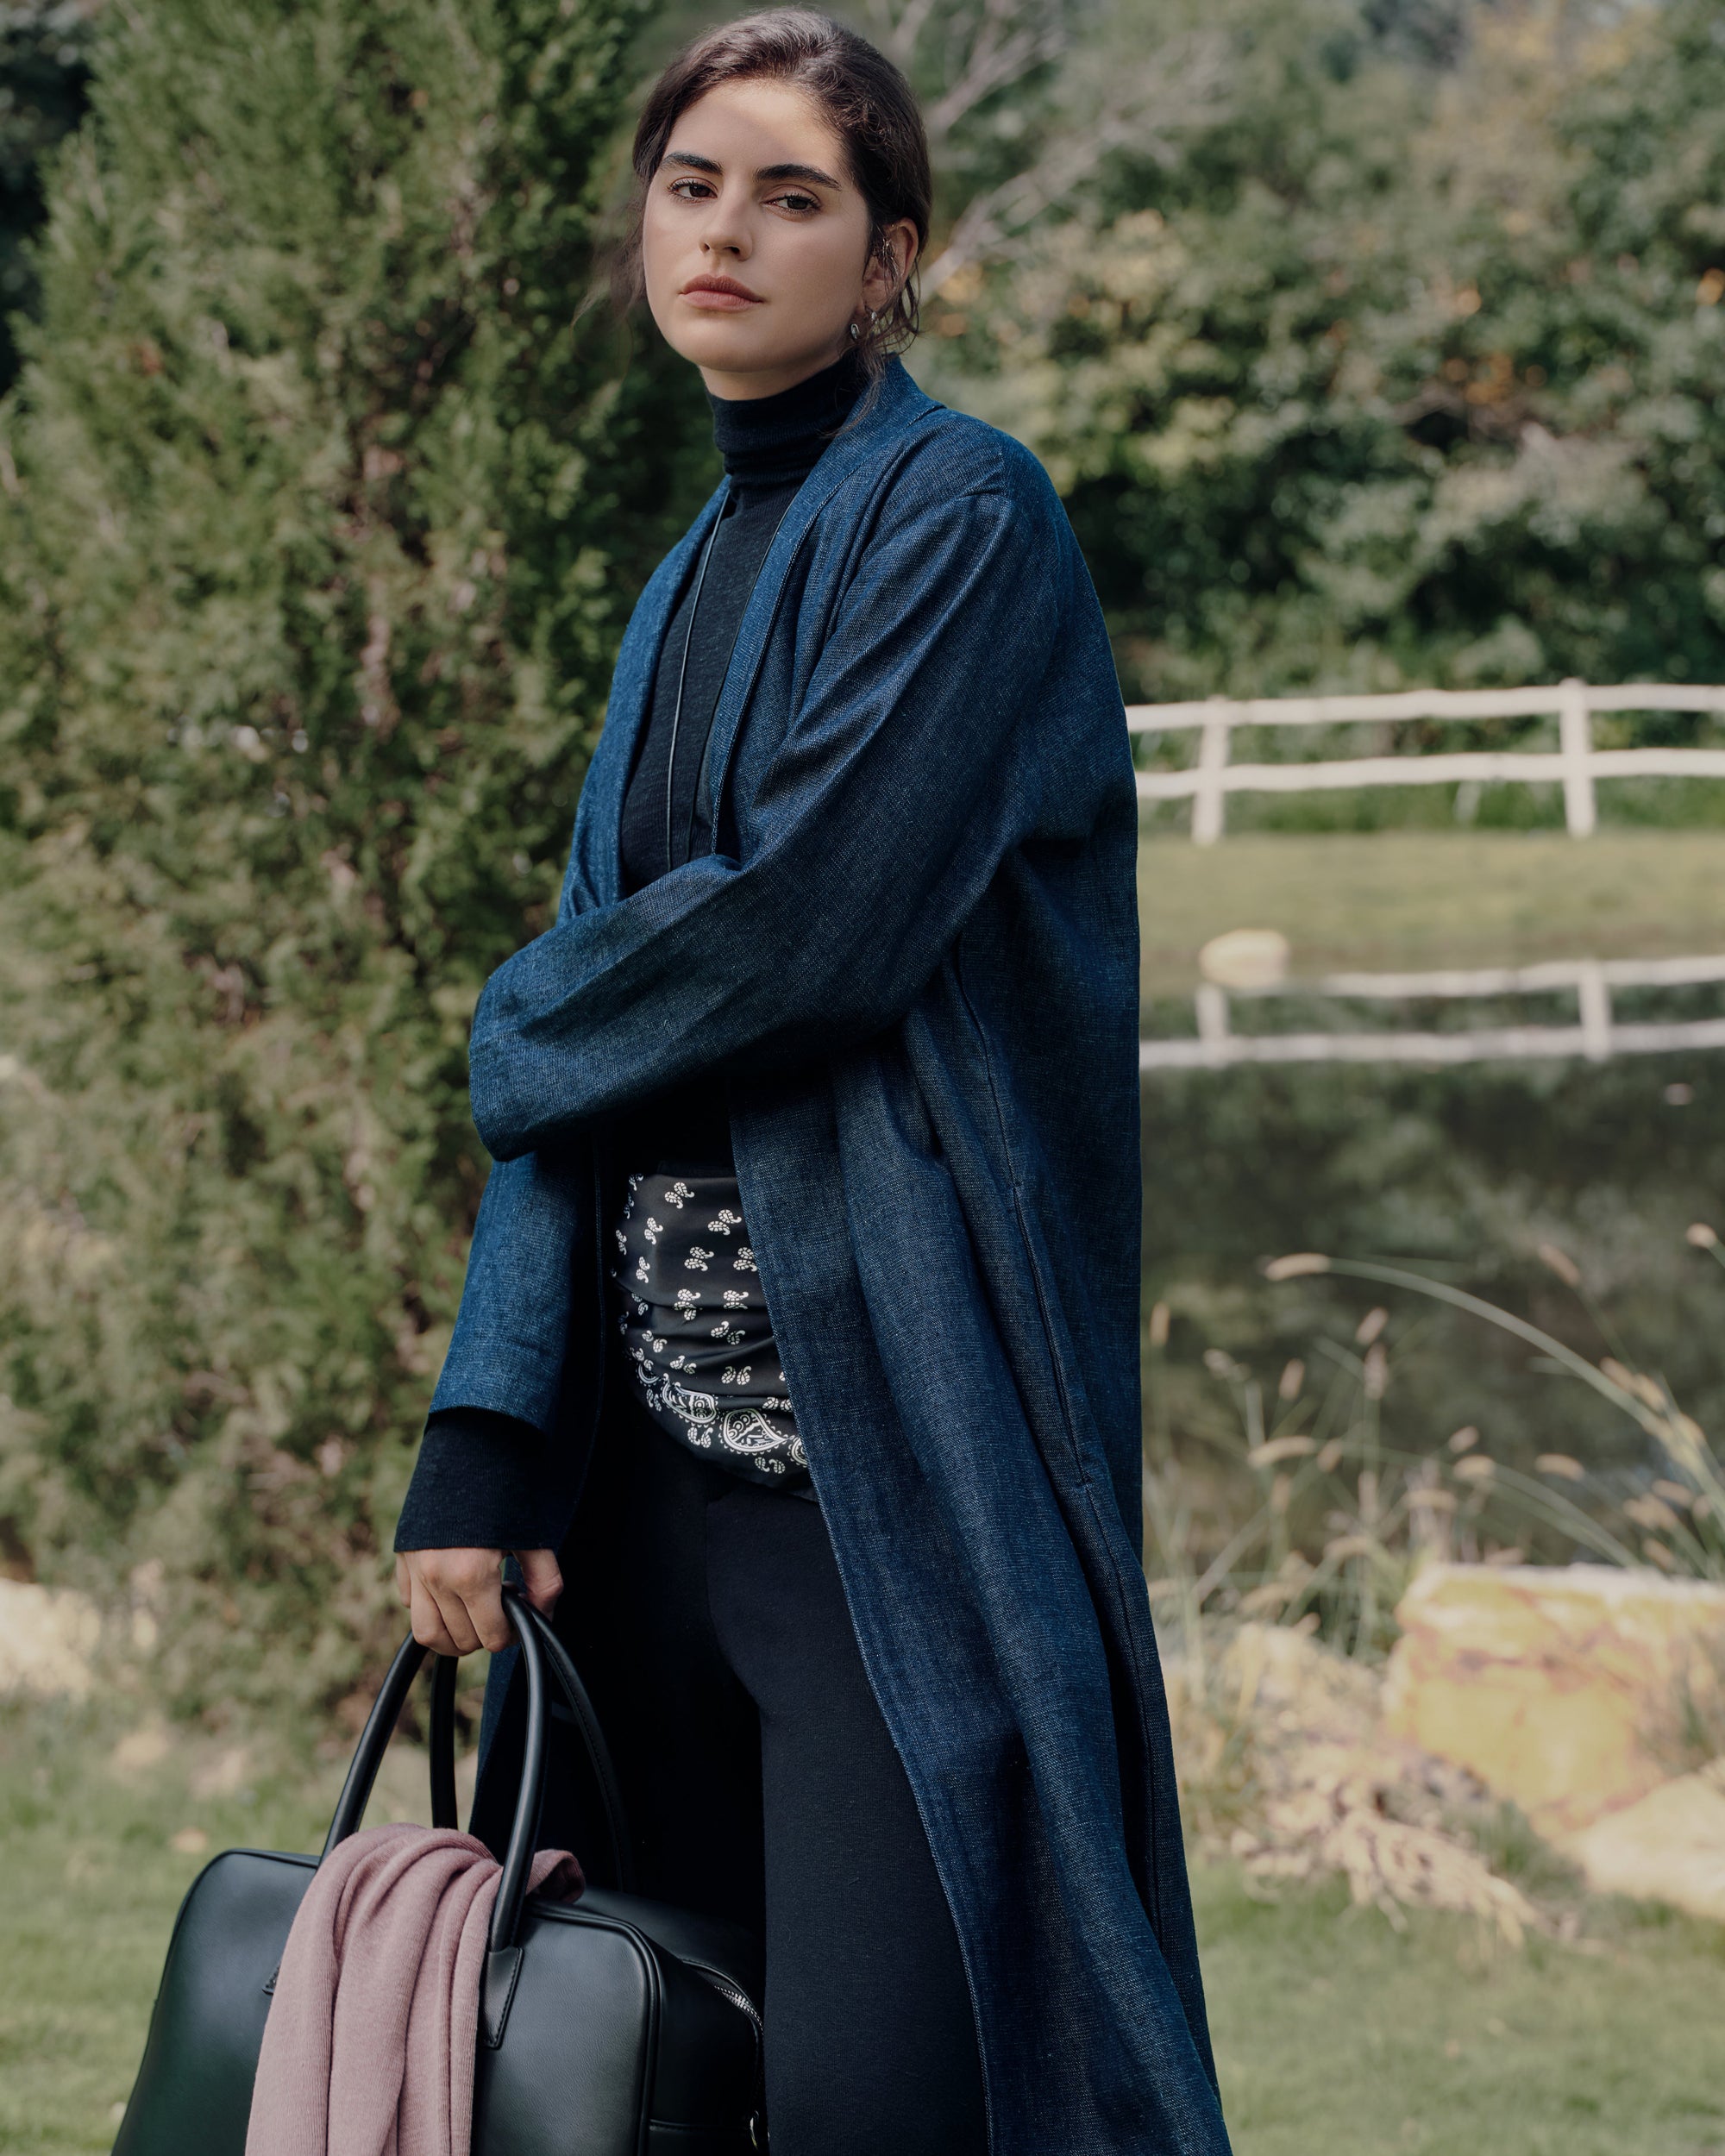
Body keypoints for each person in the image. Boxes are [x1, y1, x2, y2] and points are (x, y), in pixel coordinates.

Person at [392, 11, 1232, 2153]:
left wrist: (508, 1022)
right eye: (694, 184)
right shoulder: (684, 578)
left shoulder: (961, 515)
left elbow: (811, 930)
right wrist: (486, 1440)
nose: (729, 231)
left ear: (886, 262)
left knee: (894, 2101)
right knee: (623, 2095)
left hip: (887, 1483)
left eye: (794, 196)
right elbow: (609, 1026)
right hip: (640, 1499)